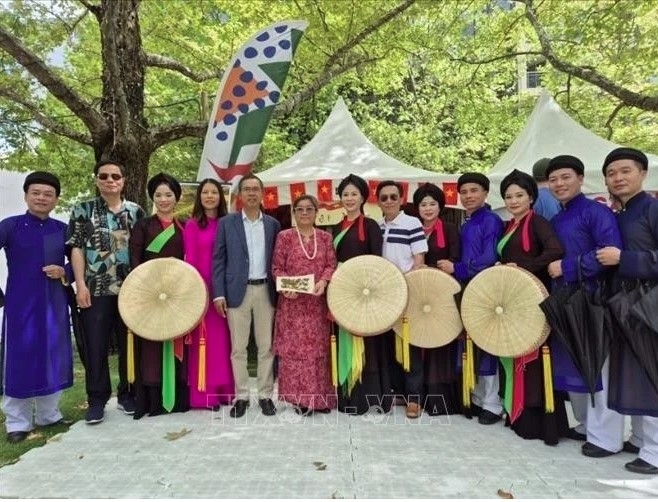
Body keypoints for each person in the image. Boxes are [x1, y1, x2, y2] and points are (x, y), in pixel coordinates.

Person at [545, 155, 622, 456]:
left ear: (580, 179)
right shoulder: (556, 219)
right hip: (564, 301)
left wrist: (567, 266)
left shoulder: (597, 213)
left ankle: (607, 438)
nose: (560, 184)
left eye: (566, 177)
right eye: (554, 179)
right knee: (574, 366)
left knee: (598, 368)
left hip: (592, 300)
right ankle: (586, 424)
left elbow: (608, 254)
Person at [67, 160, 146, 424]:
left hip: (131, 291)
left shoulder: (136, 212)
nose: (110, 180)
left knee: (130, 345)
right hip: (96, 289)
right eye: (104, 176)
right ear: (97, 180)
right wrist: (80, 285)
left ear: (123, 181)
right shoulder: (83, 209)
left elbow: (145, 251)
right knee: (96, 346)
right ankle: (97, 400)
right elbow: (75, 248)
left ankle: (128, 394)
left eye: (116, 176)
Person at [596, 147, 658, 474]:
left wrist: (625, 259)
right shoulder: (620, 214)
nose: (618, 178)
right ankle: (640, 440)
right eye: (611, 173)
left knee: (650, 375)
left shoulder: (652, 210)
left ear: (643, 173)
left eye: (625, 171)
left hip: (648, 307)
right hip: (625, 307)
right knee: (634, 376)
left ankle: (655, 452)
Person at [496, 169, 568, 445]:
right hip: (515, 299)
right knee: (515, 351)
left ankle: (538, 421)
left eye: (519, 195)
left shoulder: (537, 223)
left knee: (534, 357)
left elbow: (554, 251)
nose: (513, 201)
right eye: (508, 196)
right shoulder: (509, 226)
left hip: (534, 297)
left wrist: (523, 267)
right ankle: (518, 412)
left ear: (531, 197)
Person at [0, 172, 73, 443]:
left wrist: (64, 271)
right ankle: (17, 422)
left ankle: (49, 415)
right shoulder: (10, 226)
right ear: (26, 195)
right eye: (36, 193)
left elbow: (79, 263)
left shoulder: (61, 229)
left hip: (53, 305)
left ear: (56, 199)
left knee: (52, 358)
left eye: (48, 194)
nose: (41, 198)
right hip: (20, 306)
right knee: (18, 361)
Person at [437, 172, 504, 425]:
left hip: (485, 289)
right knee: (471, 343)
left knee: (488, 345)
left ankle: (492, 404)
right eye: (463, 192)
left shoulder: (492, 220)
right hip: (469, 288)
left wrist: (458, 269)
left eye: (473, 191)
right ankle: (477, 398)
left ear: (486, 193)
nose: (468, 196)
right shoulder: (467, 223)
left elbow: (488, 258)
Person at [212, 174, 281, 418]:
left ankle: (264, 395)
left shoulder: (273, 224)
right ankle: (241, 396)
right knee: (238, 348)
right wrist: (218, 294)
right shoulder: (226, 223)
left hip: (265, 290)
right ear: (240, 195)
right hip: (235, 292)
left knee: (266, 347)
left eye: (256, 189)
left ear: (262, 194)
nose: (252, 193)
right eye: (247, 189)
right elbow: (218, 260)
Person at [129, 173, 189, 419]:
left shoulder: (185, 225)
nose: (163, 200)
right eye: (158, 195)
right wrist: (143, 286)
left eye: (168, 195)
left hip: (177, 295)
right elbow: (135, 259)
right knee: (151, 345)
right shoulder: (144, 225)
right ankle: (152, 401)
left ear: (176, 198)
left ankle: (177, 399)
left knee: (176, 339)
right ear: (152, 198)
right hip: (149, 295)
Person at [272, 195, 337, 415]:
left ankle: (320, 399)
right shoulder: (285, 237)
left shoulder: (325, 238)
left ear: (316, 212)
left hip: (316, 304)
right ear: (294, 212)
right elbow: (277, 268)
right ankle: (300, 400)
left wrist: (324, 281)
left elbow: (331, 264)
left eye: (310, 209)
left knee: (318, 352)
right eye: (300, 209)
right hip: (292, 306)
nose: (305, 213)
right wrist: (284, 287)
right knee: (295, 354)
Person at [331, 174, 391, 415]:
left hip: (366, 292)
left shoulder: (371, 226)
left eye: (354, 194)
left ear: (363, 197)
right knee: (345, 337)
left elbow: (377, 261)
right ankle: (347, 397)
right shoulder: (336, 227)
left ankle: (369, 398)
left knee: (369, 345)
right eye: (345, 194)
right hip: (343, 292)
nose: (349, 198)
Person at [376, 180, 428, 419]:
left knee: (410, 346)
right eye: (384, 197)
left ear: (401, 199)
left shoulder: (412, 223)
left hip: (406, 292)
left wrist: (405, 286)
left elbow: (419, 259)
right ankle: (397, 392)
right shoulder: (377, 226)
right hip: (383, 296)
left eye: (393, 197)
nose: (389, 201)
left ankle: (414, 398)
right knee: (388, 347)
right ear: (378, 201)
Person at [184, 179, 234, 410]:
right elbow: (191, 259)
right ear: (200, 196)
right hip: (203, 289)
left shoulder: (229, 223)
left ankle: (226, 392)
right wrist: (198, 291)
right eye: (205, 192)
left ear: (220, 197)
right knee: (205, 343)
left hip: (224, 289)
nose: (210, 196)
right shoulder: (193, 225)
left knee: (224, 343)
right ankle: (206, 395)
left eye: (214, 192)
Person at [412, 183, 462, 415]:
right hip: (418, 295)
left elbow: (455, 258)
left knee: (441, 343)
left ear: (440, 206)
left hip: (442, 294)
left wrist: (445, 266)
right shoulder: (413, 229)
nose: (428, 208)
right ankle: (416, 395)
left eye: (433, 204)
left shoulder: (451, 229)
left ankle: (438, 399)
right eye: (423, 204)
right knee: (418, 341)